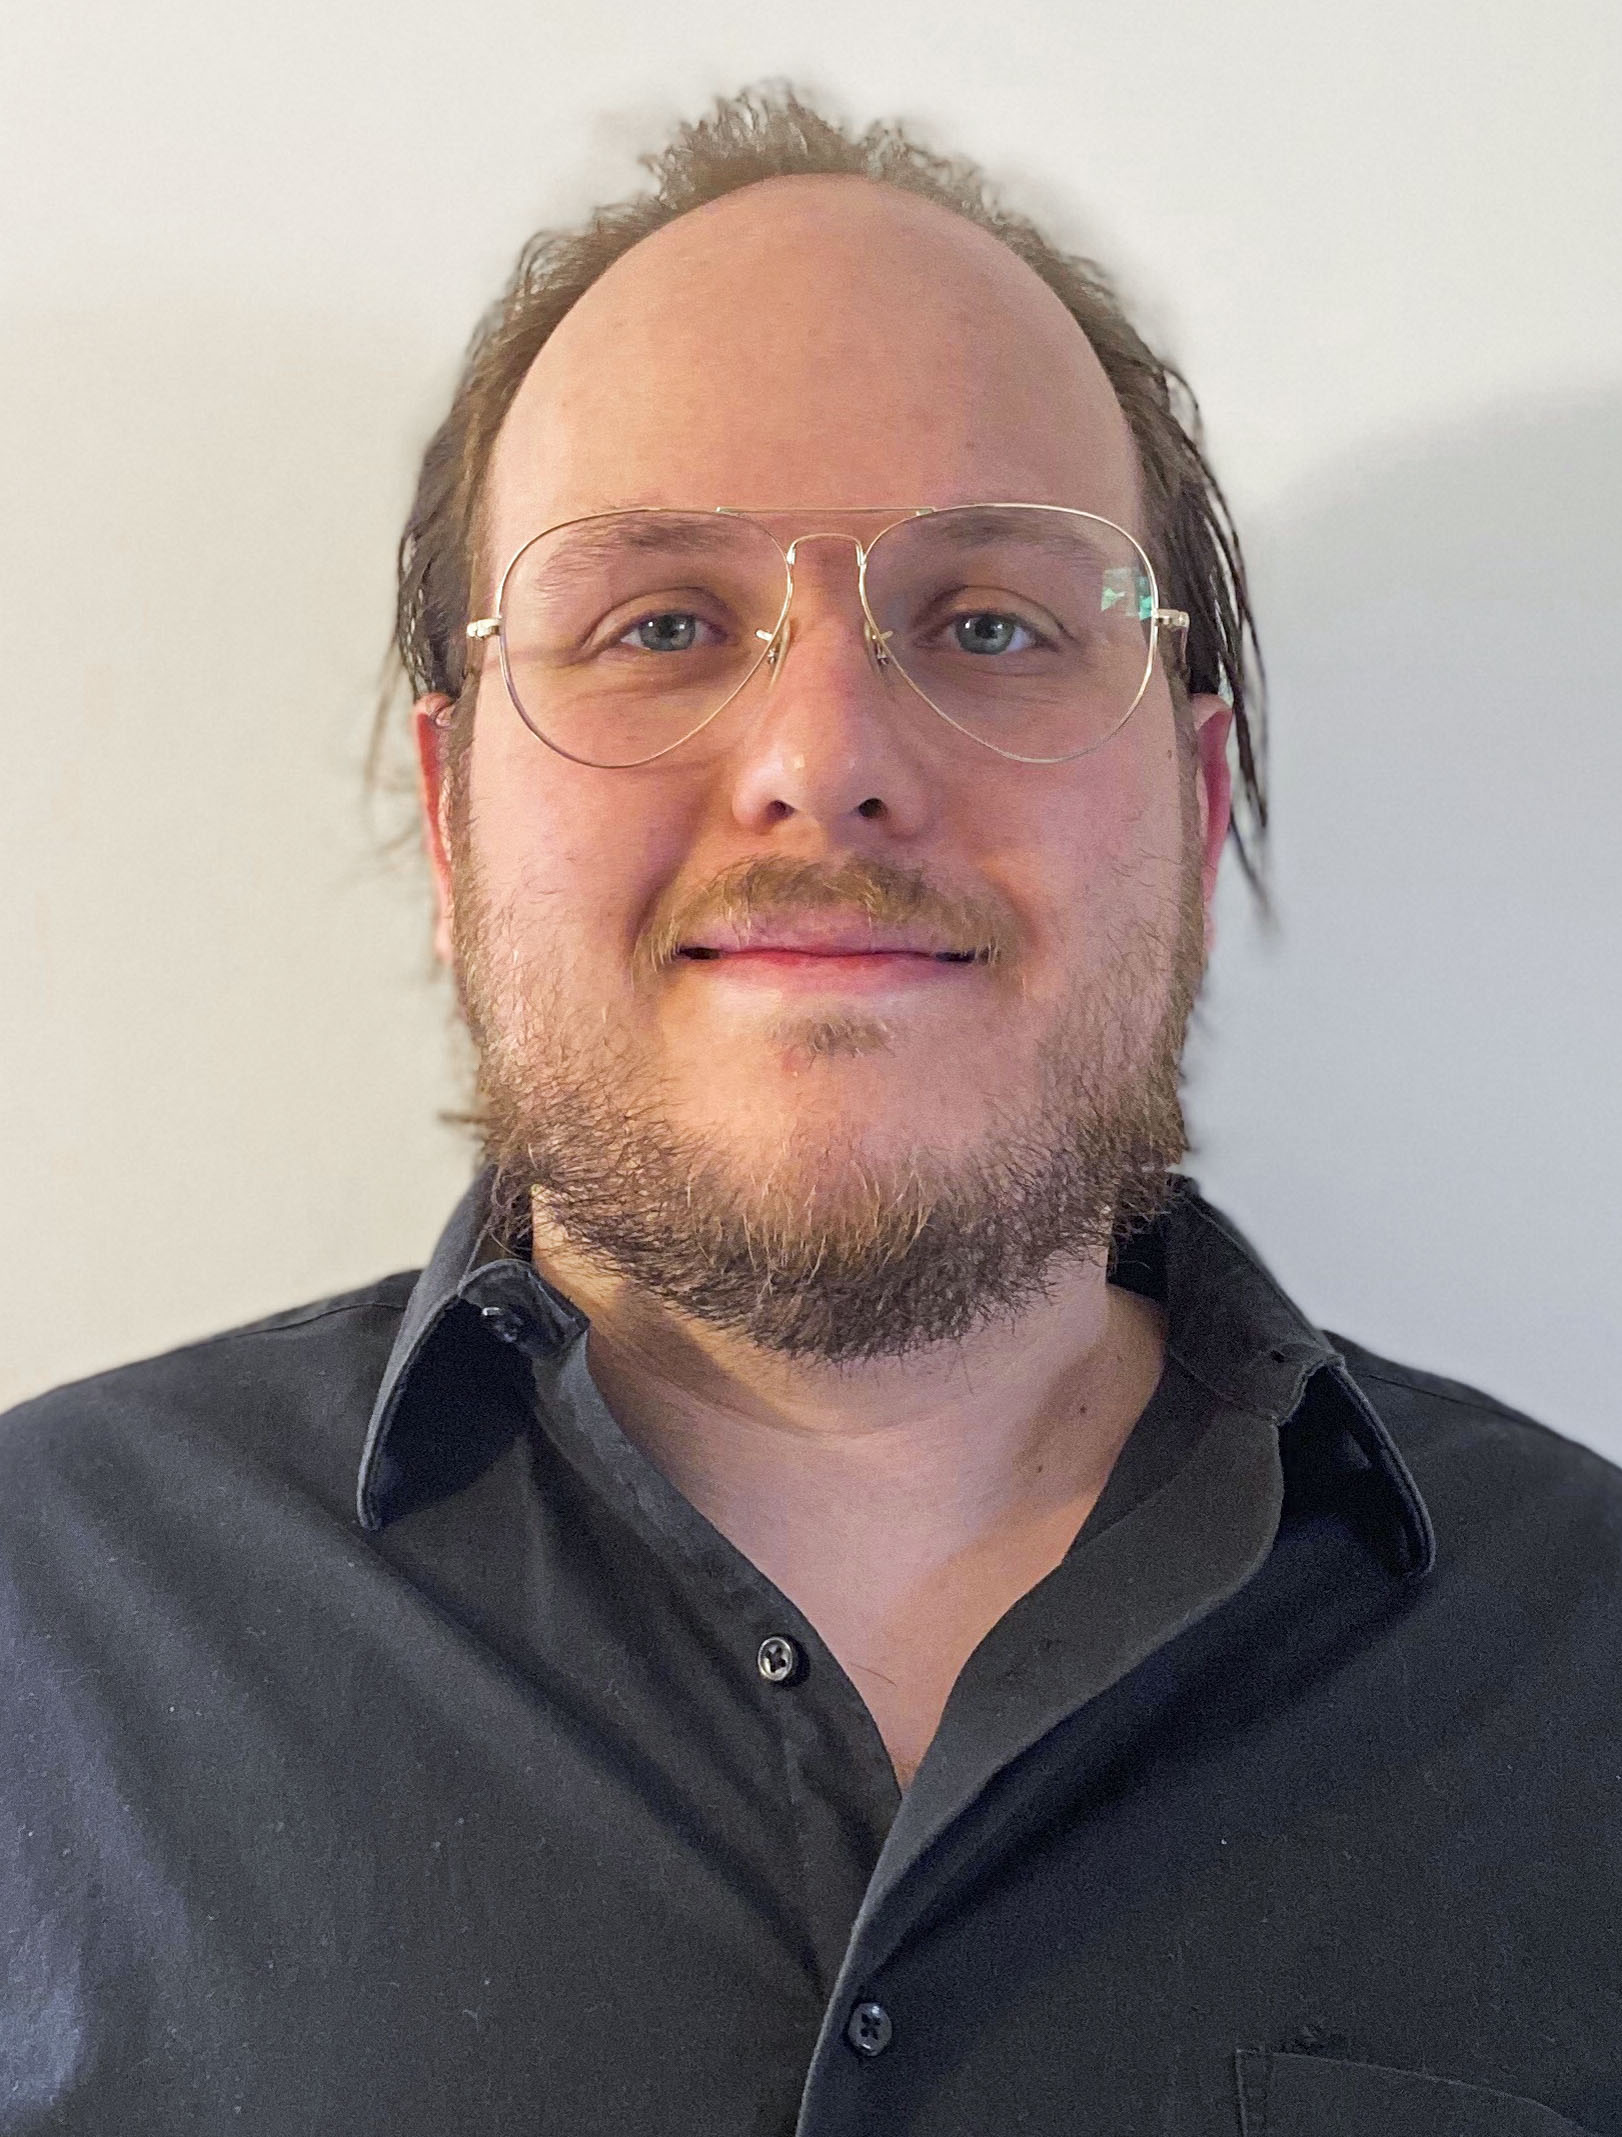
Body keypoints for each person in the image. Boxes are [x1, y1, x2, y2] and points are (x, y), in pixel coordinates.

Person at [2, 85, 1618, 2137]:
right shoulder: (40, 1646)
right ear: (449, 815)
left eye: (992, 624)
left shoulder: (1584, 1679)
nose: (822, 754)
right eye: (661, 624)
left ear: (1195, 807)